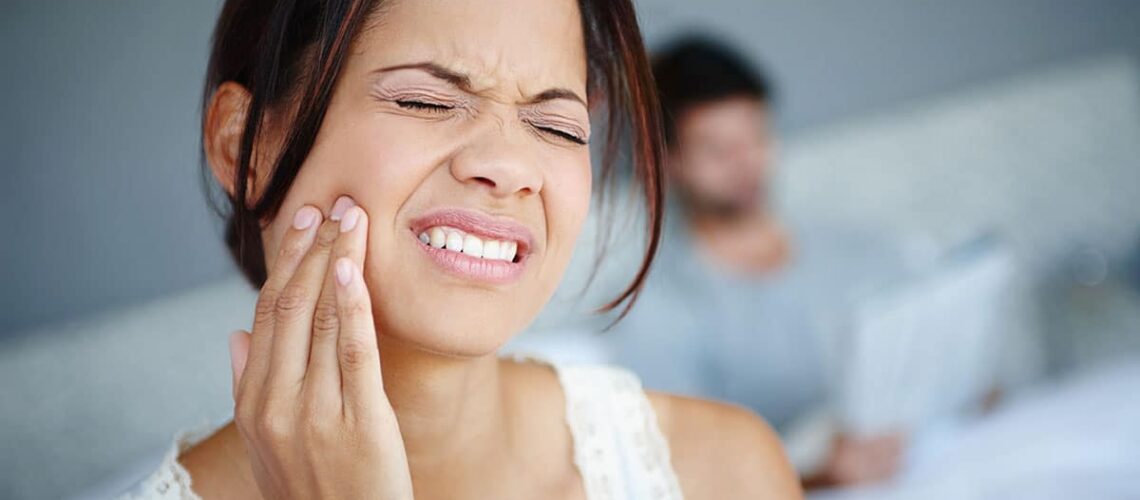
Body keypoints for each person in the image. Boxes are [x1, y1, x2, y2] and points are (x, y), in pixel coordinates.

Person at [122, 1, 801, 499]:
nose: (511, 166)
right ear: (243, 145)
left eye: (555, 124)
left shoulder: (724, 471)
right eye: (424, 100)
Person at [605, 37, 906, 487]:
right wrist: (822, 476)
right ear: (669, 161)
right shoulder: (659, 306)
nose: (747, 164)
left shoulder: (857, 249)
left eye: (756, 138)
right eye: (719, 150)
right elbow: (684, 469)